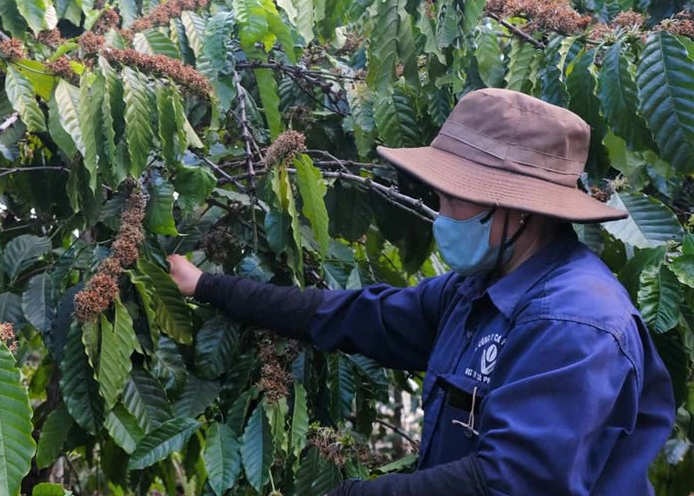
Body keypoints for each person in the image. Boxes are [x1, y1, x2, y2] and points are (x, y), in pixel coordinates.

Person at [167, 88, 675, 495]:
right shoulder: (477, 290)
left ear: (519, 211)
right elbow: (350, 315)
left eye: (453, 199)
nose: (440, 214)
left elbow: (510, 482)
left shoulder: (575, 324)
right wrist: (207, 286)